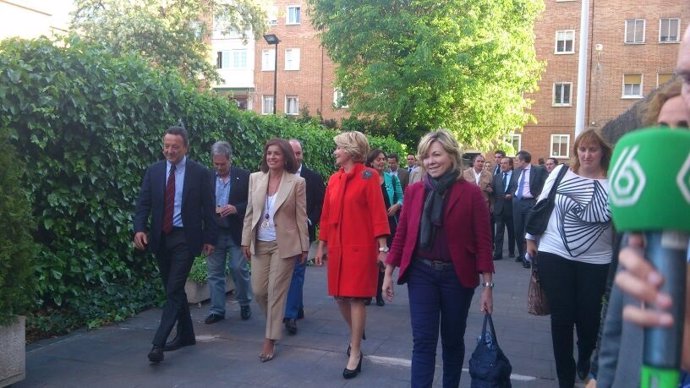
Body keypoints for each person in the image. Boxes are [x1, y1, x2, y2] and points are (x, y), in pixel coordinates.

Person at [589, 77, 689, 388]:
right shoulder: (644, 219)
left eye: (684, 127)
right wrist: (598, 375)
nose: (671, 140)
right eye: (663, 128)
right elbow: (616, 311)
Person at [382, 129, 494, 388]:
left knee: (453, 341)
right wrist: (389, 272)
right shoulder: (415, 191)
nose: (430, 161)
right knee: (423, 341)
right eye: (425, 157)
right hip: (421, 275)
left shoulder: (471, 193)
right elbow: (402, 235)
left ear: (452, 155)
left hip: (457, 276)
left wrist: (488, 287)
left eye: (436, 155)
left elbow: (484, 243)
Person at [525, 129, 614, 388]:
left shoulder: (614, 181)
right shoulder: (560, 173)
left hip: (597, 260)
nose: (587, 154)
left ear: (602, 152)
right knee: (561, 317)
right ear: (576, 151)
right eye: (582, 149)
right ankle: (565, 375)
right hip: (555, 253)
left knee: (589, 317)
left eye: (593, 149)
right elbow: (541, 204)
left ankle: (585, 356)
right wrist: (531, 239)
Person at [133, 126, 217, 363]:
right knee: (175, 289)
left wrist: (210, 238)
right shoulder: (154, 171)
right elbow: (143, 203)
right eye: (166, 146)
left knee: (173, 289)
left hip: (185, 238)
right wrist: (139, 228)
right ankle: (186, 335)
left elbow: (209, 208)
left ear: (185, 148)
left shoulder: (199, 172)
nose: (169, 151)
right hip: (160, 238)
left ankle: (157, 344)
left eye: (175, 147)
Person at [314, 131, 390, 379]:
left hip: (361, 247)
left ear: (350, 150)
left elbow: (379, 214)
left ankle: (355, 350)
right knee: (339, 297)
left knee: (356, 298)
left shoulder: (370, 176)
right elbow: (325, 214)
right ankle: (357, 330)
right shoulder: (334, 179)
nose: (335, 152)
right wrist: (322, 244)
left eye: (338, 148)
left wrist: (382, 249)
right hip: (337, 246)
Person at [241, 138, 309, 362]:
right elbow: (250, 212)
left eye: (276, 154)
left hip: (285, 245)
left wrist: (305, 247)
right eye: (269, 153)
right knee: (259, 290)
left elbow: (301, 216)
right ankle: (275, 319)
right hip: (260, 242)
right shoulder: (255, 179)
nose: (271, 157)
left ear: (285, 158)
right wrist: (245, 241)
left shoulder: (297, 182)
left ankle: (270, 339)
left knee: (276, 292)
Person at [204, 141, 252, 325]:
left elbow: (254, 203)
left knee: (238, 268)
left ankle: (245, 303)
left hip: (236, 231)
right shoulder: (207, 177)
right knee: (214, 272)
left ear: (230, 159)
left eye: (222, 164)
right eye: (215, 164)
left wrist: (235, 208)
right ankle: (217, 310)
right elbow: (200, 204)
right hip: (214, 232)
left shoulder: (244, 176)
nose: (219, 168)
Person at [283, 139, 325, 335]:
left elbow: (320, 204)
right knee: (287, 273)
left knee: (297, 272)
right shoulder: (277, 176)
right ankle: (296, 308)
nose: (296, 157)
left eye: (298, 153)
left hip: (303, 233)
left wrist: (310, 221)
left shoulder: (313, 178)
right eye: (292, 153)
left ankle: (289, 315)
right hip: (280, 233)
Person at [365, 149, 403, 306]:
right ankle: (367, 291)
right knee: (368, 259)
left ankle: (379, 292)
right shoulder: (365, 177)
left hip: (388, 223)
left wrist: (396, 205)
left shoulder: (392, 179)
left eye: (383, 159)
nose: (381, 162)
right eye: (378, 159)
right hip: (369, 224)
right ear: (371, 162)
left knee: (383, 258)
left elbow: (402, 197)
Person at [511, 150, 547, 268]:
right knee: (517, 229)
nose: (515, 162)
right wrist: (513, 196)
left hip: (530, 203)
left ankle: (528, 257)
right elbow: (514, 185)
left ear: (523, 160)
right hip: (517, 202)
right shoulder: (516, 172)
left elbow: (546, 184)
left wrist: (538, 197)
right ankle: (521, 254)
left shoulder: (538, 170)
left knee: (528, 230)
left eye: (517, 160)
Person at [492, 157, 515, 260]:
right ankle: (498, 253)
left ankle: (511, 251)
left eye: (505, 163)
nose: (503, 165)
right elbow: (493, 191)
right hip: (499, 208)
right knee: (499, 232)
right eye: (501, 163)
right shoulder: (496, 177)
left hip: (511, 208)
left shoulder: (516, 175)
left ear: (510, 165)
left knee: (511, 231)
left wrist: (512, 195)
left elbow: (519, 188)